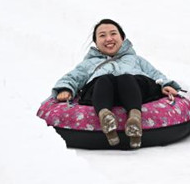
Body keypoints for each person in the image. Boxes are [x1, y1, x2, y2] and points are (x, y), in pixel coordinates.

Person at [52, 19, 181, 149]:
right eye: (102, 35)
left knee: (126, 78)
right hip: (103, 91)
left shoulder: (135, 59)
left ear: (122, 37)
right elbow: (73, 77)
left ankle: (134, 119)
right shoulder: (89, 63)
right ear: (96, 42)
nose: (108, 39)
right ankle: (106, 118)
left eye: (113, 34)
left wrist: (166, 85)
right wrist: (65, 88)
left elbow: (155, 74)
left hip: (136, 87)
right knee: (103, 79)